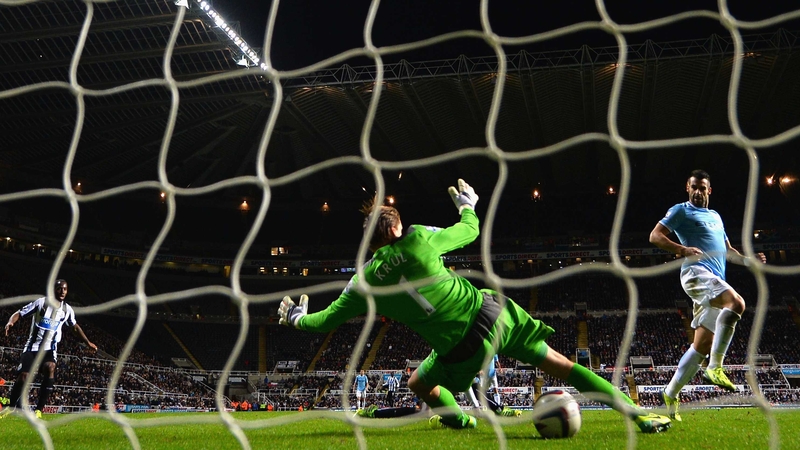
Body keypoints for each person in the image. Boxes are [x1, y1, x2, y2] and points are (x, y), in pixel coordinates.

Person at [279, 179, 670, 432]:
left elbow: (322, 322)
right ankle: (639, 416)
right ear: (397, 228)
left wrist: (297, 318)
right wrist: (467, 205)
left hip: (462, 351)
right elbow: (470, 230)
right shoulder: (418, 238)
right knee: (563, 366)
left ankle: (462, 421)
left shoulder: (361, 283)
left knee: (419, 384)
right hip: (494, 314)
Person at [649, 169, 766, 422]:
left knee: (701, 345)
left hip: (714, 280)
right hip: (695, 272)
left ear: (709, 190)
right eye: (694, 187)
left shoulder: (715, 216)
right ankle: (715, 367)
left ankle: (669, 393)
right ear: (687, 188)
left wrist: (750, 261)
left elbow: (728, 251)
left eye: (702, 188)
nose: (698, 192)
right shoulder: (681, 211)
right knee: (736, 302)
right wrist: (682, 250)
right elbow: (655, 236)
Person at [1, 279, 97, 419]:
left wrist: (87, 342)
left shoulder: (67, 310)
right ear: (54, 290)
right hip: (32, 347)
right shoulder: (41, 303)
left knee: (50, 367)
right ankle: (11, 407)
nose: (62, 291)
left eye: (65, 289)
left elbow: (75, 327)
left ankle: (39, 409)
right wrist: (10, 322)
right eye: (59, 289)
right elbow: (20, 313)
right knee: (24, 376)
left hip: (49, 349)